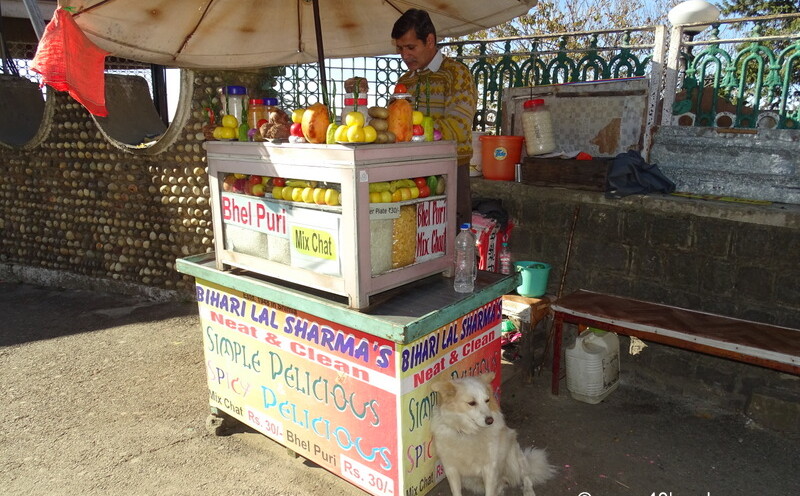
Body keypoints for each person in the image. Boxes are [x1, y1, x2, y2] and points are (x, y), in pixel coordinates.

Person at [392, 9, 477, 228]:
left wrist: (416, 130)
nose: (405, 55)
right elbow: (395, 128)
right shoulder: (405, 82)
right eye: (400, 48)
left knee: (452, 235)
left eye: (411, 47)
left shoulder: (457, 74)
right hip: (411, 174)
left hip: (452, 171)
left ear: (430, 40)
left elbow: (459, 127)